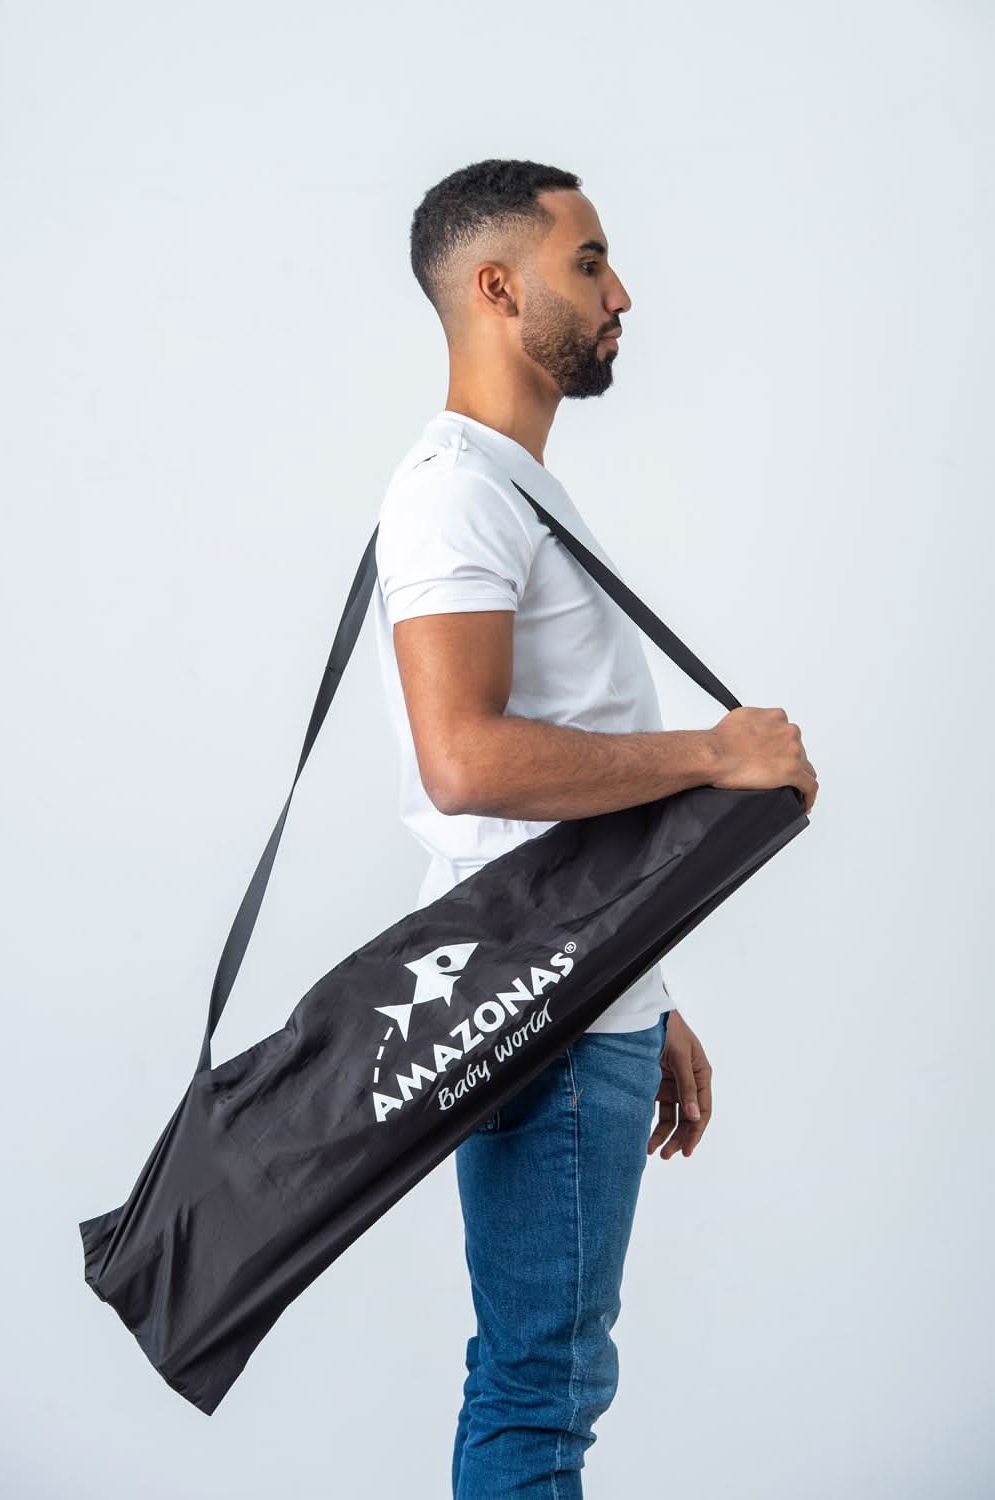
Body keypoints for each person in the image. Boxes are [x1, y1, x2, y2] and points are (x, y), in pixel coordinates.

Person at [371, 158, 818, 1500]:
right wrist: (716, 754)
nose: (619, 293)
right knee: (539, 1388)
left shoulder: (511, 488)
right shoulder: (453, 490)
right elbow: (465, 764)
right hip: (544, 1015)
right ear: (497, 288)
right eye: (588, 264)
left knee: (542, 1377)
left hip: (582, 996)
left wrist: (651, 991)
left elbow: (554, 805)